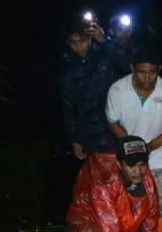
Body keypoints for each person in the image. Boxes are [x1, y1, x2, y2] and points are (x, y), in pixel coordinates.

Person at [106, 44, 162, 232]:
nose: (147, 78)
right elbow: (112, 121)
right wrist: (132, 145)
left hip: (159, 157)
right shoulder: (117, 90)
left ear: (159, 70)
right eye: (142, 72)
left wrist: (149, 147)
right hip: (129, 159)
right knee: (126, 204)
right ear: (132, 68)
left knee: (161, 206)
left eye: (152, 73)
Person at [59, 12, 118, 160]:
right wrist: (75, 139)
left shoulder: (105, 55)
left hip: (118, 130)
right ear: (67, 43)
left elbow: (128, 63)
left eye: (83, 40)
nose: (79, 47)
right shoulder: (66, 71)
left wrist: (104, 40)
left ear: (90, 37)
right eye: (73, 42)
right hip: (90, 137)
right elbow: (68, 110)